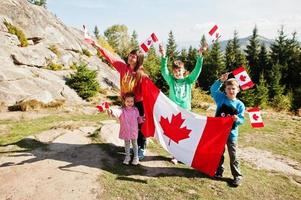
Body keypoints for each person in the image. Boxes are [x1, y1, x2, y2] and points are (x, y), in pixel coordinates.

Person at [91, 42, 148, 160]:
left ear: (138, 60)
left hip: (138, 104)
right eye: (130, 55)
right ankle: (134, 146)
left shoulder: (141, 74)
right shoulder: (123, 67)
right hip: (126, 103)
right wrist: (98, 45)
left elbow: (148, 90)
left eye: (133, 56)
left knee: (140, 125)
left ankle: (141, 148)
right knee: (130, 125)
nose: (130, 57)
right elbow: (110, 58)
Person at [158, 43, 206, 164]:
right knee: (174, 134)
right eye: (175, 71)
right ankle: (175, 155)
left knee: (186, 133)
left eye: (179, 71)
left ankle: (184, 155)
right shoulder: (171, 80)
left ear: (183, 71)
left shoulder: (189, 80)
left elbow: (197, 70)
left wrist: (200, 56)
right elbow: (164, 71)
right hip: (174, 110)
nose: (177, 73)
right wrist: (164, 56)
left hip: (186, 111)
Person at [210, 73, 245, 187]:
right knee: (219, 153)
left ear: (238, 90)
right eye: (228, 88)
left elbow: (242, 120)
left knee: (233, 156)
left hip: (231, 135)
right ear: (225, 90)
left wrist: (237, 119)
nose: (231, 91)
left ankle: (237, 176)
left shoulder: (240, 105)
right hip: (218, 133)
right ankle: (218, 171)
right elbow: (213, 89)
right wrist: (220, 80)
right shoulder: (220, 98)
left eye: (233, 89)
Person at [108, 92, 144, 165]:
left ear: (134, 101)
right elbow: (116, 111)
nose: (130, 103)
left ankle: (136, 158)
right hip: (126, 130)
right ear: (124, 101)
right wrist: (111, 111)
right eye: (128, 101)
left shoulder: (135, 110)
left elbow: (138, 119)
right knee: (127, 144)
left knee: (135, 144)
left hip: (134, 130)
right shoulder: (122, 110)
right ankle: (127, 157)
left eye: (131, 101)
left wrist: (142, 119)